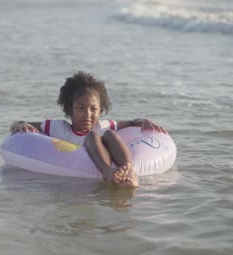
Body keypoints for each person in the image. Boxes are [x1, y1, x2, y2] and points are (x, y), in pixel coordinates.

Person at [9, 71, 167, 187]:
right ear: (70, 109)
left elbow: (127, 123)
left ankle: (130, 171)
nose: (87, 115)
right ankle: (107, 172)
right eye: (80, 108)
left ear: (100, 110)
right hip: (78, 166)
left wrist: (142, 121)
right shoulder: (59, 128)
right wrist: (20, 124)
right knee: (92, 136)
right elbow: (27, 125)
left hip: (106, 154)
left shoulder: (101, 126)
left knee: (110, 134)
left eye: (93, 109)